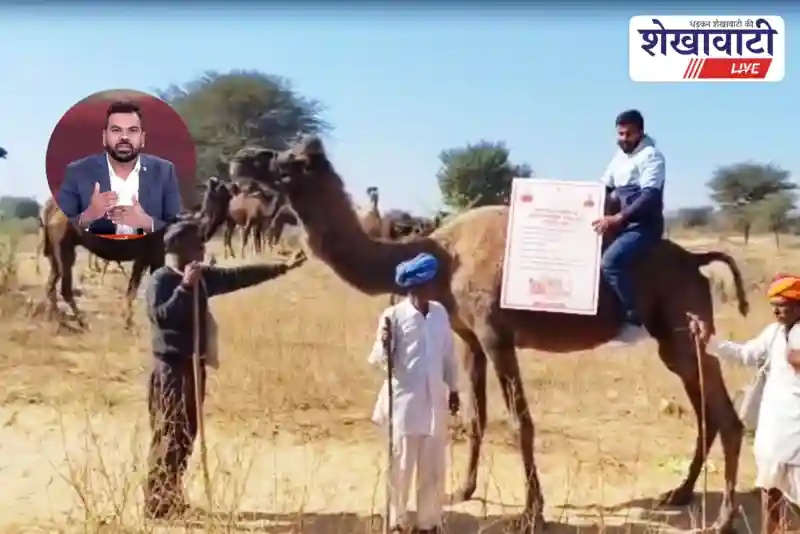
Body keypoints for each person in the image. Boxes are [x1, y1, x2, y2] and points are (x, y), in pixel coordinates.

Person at [143, 220, 306, 519]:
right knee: (168, 431)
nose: (203, 248)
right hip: (171, 369)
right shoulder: (161, 280)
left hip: (194, 367)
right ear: (179, 248)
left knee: (187, 433)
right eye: (197, 243)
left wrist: (281, 268)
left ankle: (172, 494)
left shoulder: (202, 278)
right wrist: (184, 288)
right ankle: (157, 502)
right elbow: (162, 317)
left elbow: (238, 276)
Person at [691, 273, 800, 534]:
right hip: (774, 425)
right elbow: (745, 354)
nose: (776, 310)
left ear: (797, 305)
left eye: (782, 305)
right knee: (770, 487)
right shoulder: (774, 333)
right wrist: (710, 341)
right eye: (773, 304)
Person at [369, 252, 460, 534]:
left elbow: (448, 354)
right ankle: (396, 522)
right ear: (418, 286)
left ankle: (428, 523)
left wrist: (454, 388)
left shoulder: (440, 314)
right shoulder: (393, 317)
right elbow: (381, 362)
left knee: (432, 468)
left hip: (434, 401)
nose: (437, 288)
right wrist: (386, 344)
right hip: (405, 403)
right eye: (433, 282)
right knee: (401, 465)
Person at [591, 109, 666, 346]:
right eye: (620, 133)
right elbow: (604, 186)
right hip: (622, 224)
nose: (623, 138)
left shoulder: (652, 156)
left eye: (628, 133)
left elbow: (649, 196)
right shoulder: (619, 158)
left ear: (640, 132)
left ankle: (635, 321)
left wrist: (617, 218)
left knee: (610, 263)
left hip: (643, 226)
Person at [55, 100, 182, 237]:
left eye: (132, 130)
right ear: (104, 137)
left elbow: (178, 228)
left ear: (142, 138)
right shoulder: (78, 172)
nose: (124, 137)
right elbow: (59, 227)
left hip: (147, 255)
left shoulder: (164, 171)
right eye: (116, 130)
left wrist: (148, 223)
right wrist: (88, 215)